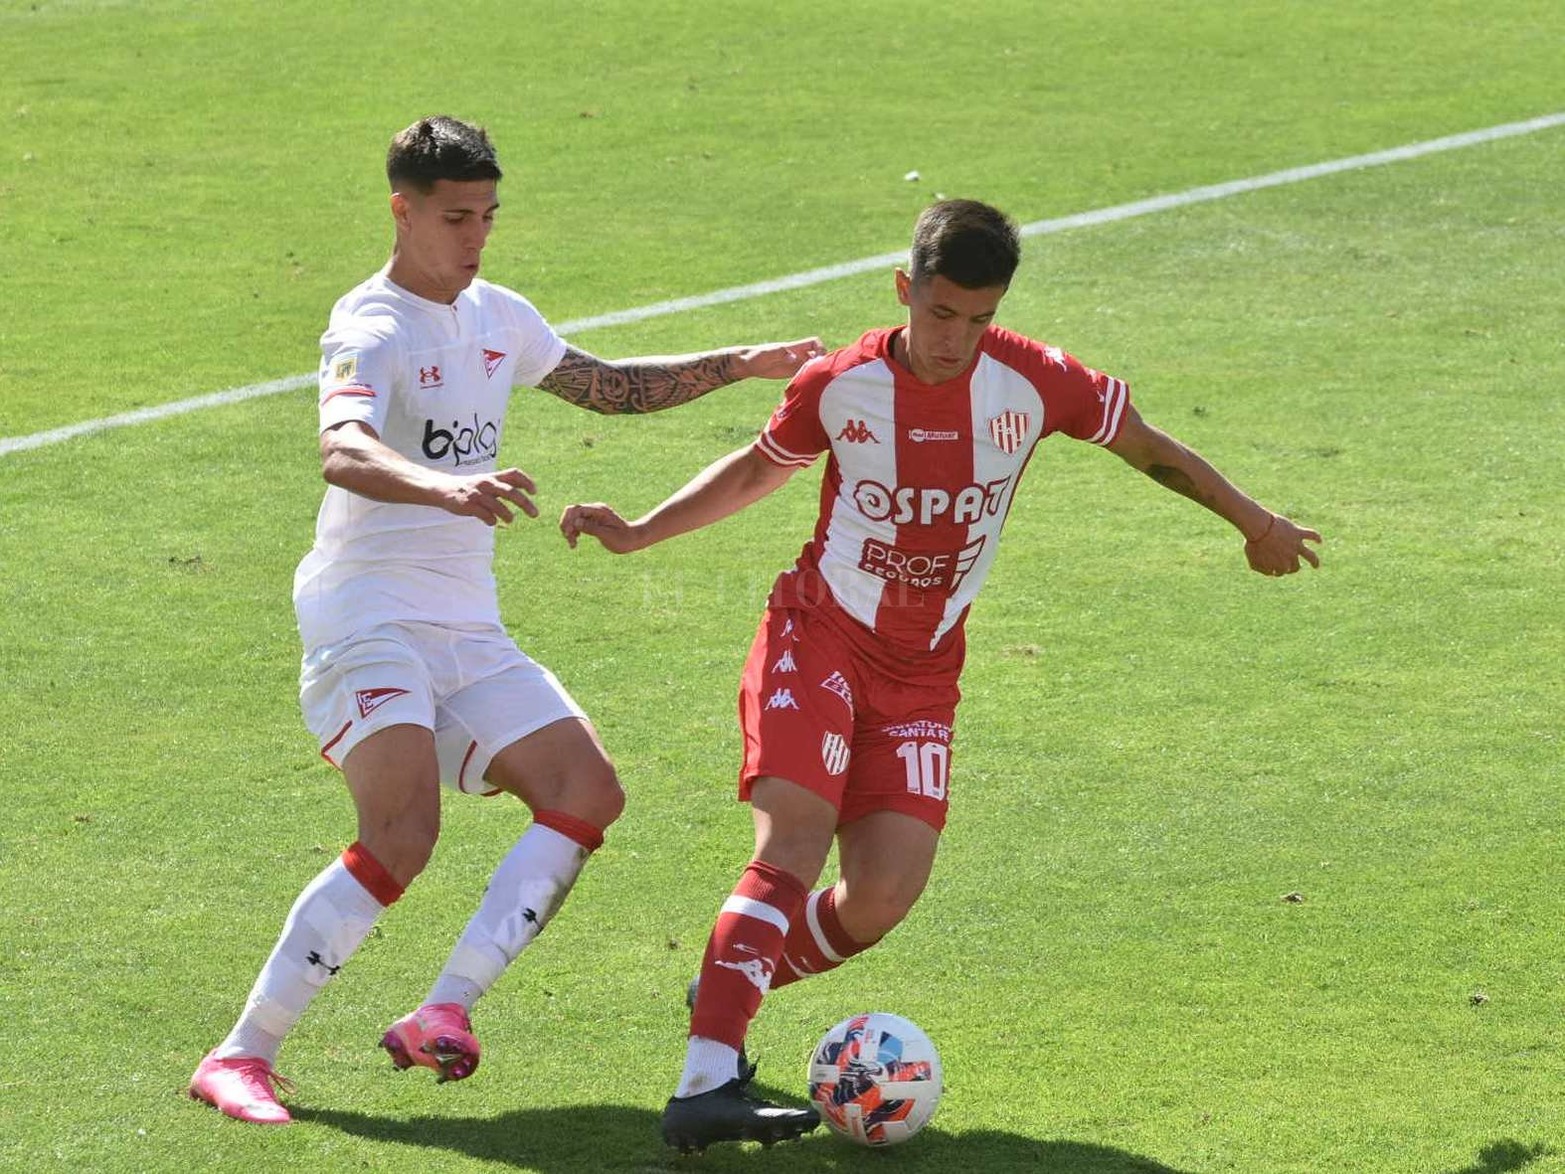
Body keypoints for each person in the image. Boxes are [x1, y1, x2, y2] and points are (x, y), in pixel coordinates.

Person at [560, 198, 1322, 1152]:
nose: (954, 340)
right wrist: (639, 530)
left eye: (977, 319)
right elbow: (755, 471)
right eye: (940, 315)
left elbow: (1151, 449)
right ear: (904, 290)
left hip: (922, 675)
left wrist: (1253, 521)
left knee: (880, 897)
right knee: (794, 836)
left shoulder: (1036, 382)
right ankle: (705, 1081)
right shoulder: (837, 384)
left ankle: (732, 978)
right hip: (820, 635)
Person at [187, 115, 823, 1126]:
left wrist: (739, 362)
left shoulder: (498, 314)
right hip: (367, 614)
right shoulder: (370, 325)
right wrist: (444, 489)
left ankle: (444, 1007)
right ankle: (240, 1054)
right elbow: (342, 450)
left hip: (464, 626)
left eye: (487, 214)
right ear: (402, 210)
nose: (475, 235)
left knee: (586, 789)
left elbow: (607, 386)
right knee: (402, 831)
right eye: (454, 216)